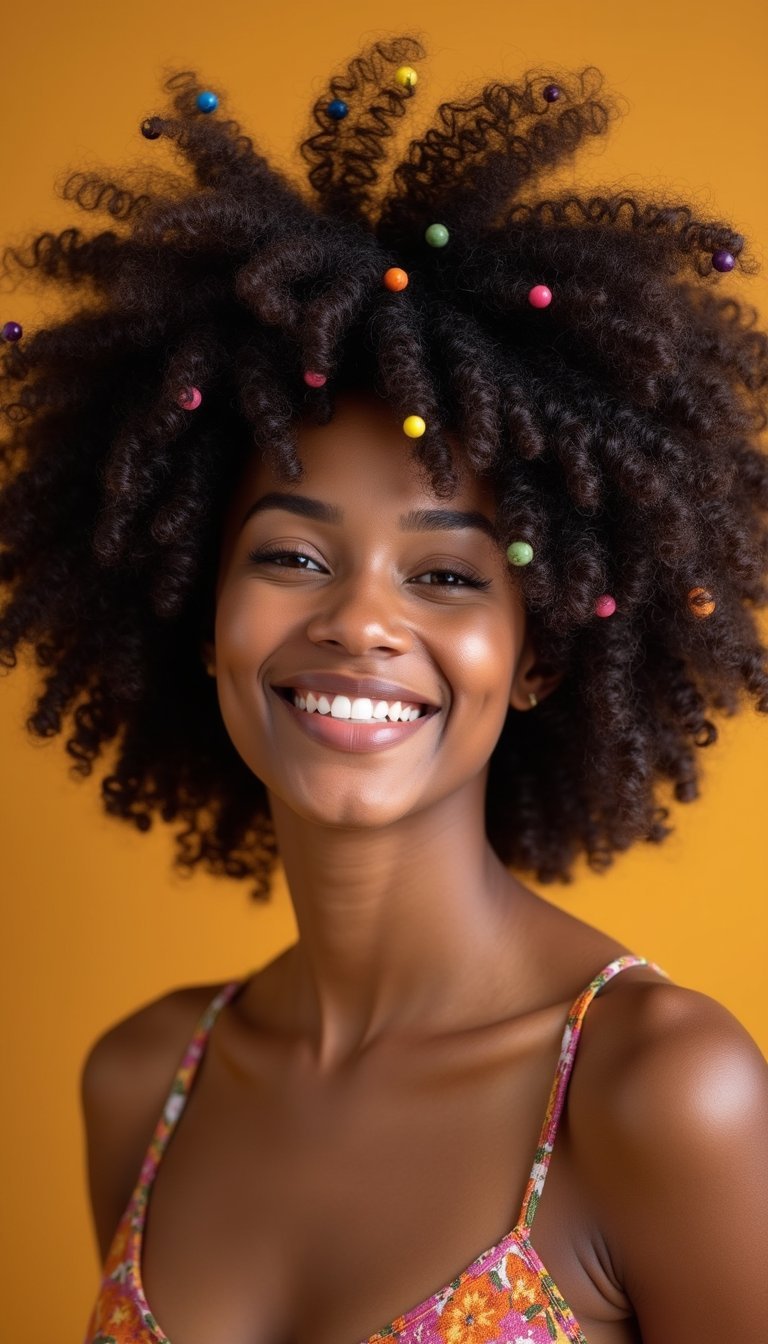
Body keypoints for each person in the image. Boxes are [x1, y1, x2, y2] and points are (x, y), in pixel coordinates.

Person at [1, 32, 767, 1344]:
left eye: (449, 577)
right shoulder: (141, 1086)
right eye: (293, 555)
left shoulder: (657, 1094)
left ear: (537, 657)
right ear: (200, 612)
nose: (359, 621)